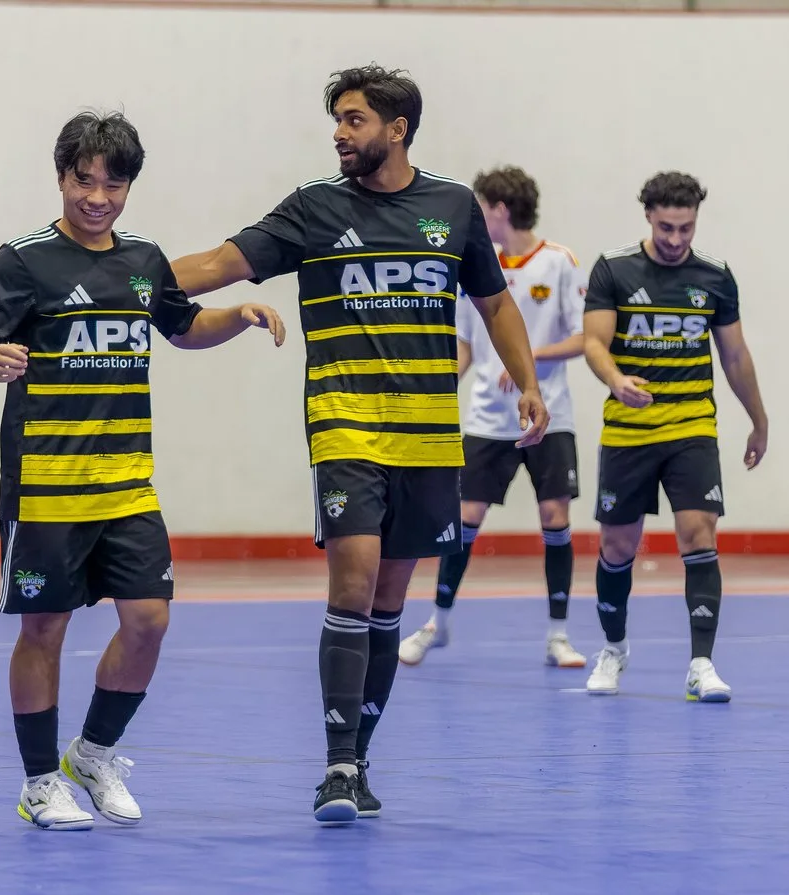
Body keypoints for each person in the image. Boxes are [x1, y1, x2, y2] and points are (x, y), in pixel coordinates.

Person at [170, 65, 548, 824]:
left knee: (386, 601)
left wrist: (526, 379)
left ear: (396, 129)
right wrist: (121, 277)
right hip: (345, 426)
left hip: (429, 437)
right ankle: (336, 767)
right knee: (353, 581)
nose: (339, 133)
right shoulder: (314, 208)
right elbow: (218, 263)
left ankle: (360, 761)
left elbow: (495, 303)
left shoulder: (451, 209)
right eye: (336, 120)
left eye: (352, 120)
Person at [0, 110, 284, 831]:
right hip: (45, 487)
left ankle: (94, 753)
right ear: (61, 176)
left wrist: (237, 315)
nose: (97, 197)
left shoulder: (143, 261)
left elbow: (181, 326)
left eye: (113, 184)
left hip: (127, 482)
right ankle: (41, 780)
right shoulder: (23, 259)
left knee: (149, 621)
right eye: (84, 181)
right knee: (44, 631)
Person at [582, 171, 768, 701]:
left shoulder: (714, 276)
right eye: (666, 227)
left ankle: (702, 664)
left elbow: (734, 355)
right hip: (628, 430)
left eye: (685, 229)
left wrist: (759, 420)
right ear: (649, 216)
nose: (675, 239)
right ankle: (614, 649)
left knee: (698, 534)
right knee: (618, 545)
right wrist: (616, 380)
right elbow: (595, 343)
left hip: (691, 427)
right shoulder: (613, 269)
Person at [399, 166, 587, 669]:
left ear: (500, 210)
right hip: (486, 420)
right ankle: (437, 622)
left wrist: (528, 360)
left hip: (549, 417)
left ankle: (558, 635)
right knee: (465, 519)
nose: (479, 217)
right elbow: (465, 343)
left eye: (482, 208)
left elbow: (585, 338)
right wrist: (438, 384)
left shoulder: (560, 262)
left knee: (556, 517)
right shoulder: (475, 265)